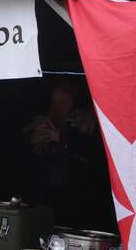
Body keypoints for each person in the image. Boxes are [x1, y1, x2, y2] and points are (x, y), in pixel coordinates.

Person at [23, 81, 101, 228]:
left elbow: (93, 154)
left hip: (75, 200)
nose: (57, 107)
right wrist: (31, 142)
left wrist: (61, 137)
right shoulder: (40, 124)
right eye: (54, 102)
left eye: (63, 102)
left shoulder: (86, 125)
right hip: (43, 196)